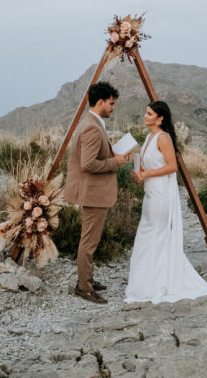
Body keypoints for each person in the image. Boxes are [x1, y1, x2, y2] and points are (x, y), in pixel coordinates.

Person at [125, 100, 207, 304]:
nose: (145, 116)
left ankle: (159, 282)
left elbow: (172, 167)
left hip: (161, 194)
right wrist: (140, 174)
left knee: (157, 236)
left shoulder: (163, 138)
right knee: (147, 234)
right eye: (146, 112)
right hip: (150, 192)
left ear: (160, 119)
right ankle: (147, 280)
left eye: (149, 113)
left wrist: (148, 173)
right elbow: (152, 164)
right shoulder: (149, 137)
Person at [64, 81, 129, 304]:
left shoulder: (92, 123)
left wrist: (114, 157)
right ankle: (84, 287)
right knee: (89, 242)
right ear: (100, 102)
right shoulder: (92, 127)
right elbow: (88, 164)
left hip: (93, 192)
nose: (113, 107)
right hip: (92, 193)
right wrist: (115, 162)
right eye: (111, 103)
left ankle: (87, 280)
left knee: (90, 239)